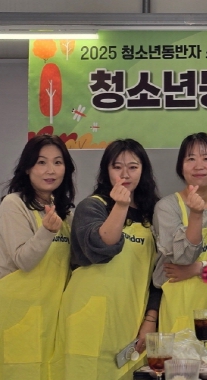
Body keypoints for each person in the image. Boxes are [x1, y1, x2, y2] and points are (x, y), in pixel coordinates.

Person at [49, 139, 160, 380]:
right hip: (88, 316)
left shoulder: (152, 215)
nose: (125, 174)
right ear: (106, 171)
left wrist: (151, 318)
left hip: (130, 317)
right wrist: (120, 205)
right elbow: (102, 246)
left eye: (133, 167)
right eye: (117, 167)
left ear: (143, 170)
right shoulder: (92, 207)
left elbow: (158, 275)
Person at [0, 135, 75, 380]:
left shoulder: (65, 212)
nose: (50, 170)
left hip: (53, 315)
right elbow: (24, 260)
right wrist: (47, 231)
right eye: (41, 162)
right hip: (19, 314)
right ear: (27, 167)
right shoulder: (13, 204)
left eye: (57, 162)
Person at [153, 132, 207, 349]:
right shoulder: (167, 207)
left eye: (206, 158)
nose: (199, 165)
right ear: (181, 167)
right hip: (180, 312)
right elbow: (182, 258)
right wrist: (196, 214)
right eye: (191, 158)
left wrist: (200, 268)